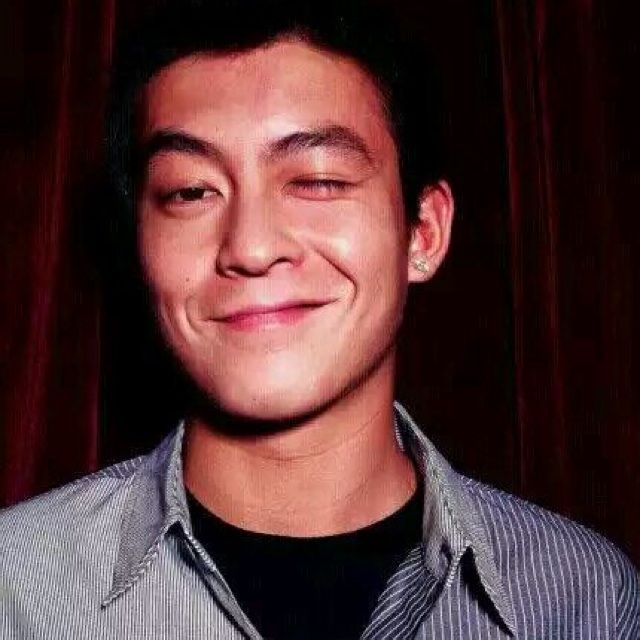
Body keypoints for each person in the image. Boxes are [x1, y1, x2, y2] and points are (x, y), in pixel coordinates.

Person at [1, 0, 638, 638]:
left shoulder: (584, 598)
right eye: (191, 191)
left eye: (319, 180)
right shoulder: (18, 588)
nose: (250, 247)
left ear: (423, 231)